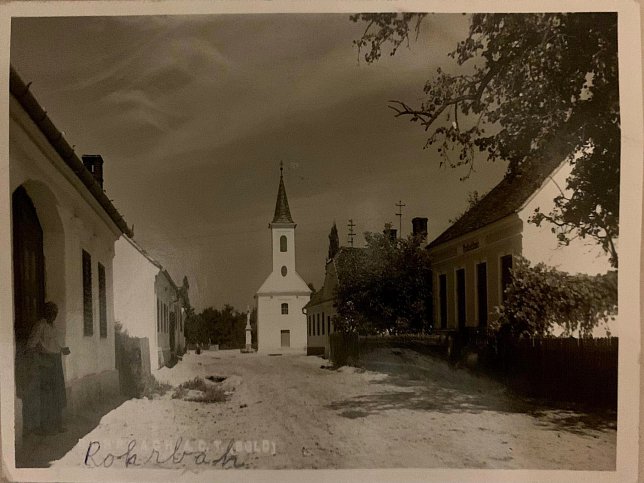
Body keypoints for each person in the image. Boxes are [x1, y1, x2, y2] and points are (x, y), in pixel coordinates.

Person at [26, 302, 70, 435]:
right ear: (46, 313)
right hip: (46, 364)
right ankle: (45, 428)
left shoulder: (53, 326)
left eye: (55, 313)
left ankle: (57, 425)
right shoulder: (40, 326)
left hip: (56, 362)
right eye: (51, 313)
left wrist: (63, 349)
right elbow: (30, 346)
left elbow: (54, 344)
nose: (54, 316)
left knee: (58, 394)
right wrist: (41, 360)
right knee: (47, 396)